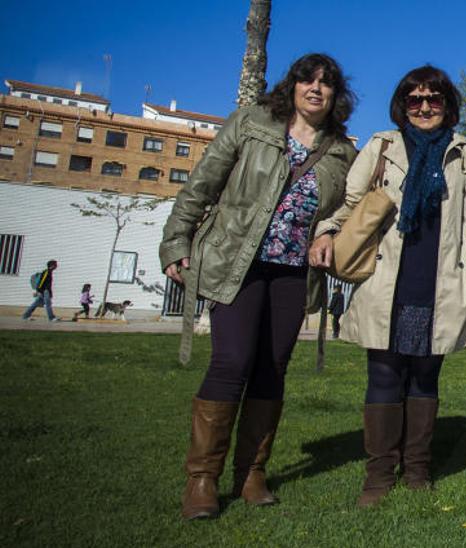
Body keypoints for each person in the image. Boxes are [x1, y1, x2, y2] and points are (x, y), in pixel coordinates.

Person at [158, 53, 359, 520]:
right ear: (292, 86)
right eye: (307, 79)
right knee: (231, 361)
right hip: (237, 262)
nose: (316, 88)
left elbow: (344, 210)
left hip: (292, 272)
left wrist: (328, 231)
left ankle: (251, 472)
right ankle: (202, 479)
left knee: (272, 367)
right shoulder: (251, 123)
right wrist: (175, 241)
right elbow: (203, 183)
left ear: (336, 94)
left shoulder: (341, 152)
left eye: (327, 83)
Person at [310, 64, 466, 508]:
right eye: (415, 99)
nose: (425, 107)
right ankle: (378, 475)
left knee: (426, 374)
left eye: (434, 99)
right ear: (403, 105)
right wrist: (326, 232)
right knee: (385, 373)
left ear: (448, 105)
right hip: (386, 277)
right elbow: (352, 202)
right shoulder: (381, 146)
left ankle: (416, 469)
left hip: (441, 281)